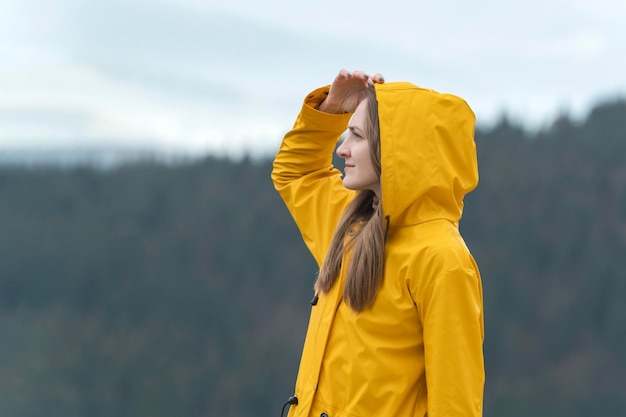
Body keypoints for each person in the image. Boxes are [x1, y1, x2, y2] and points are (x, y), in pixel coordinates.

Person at [272, 69, 485, 417]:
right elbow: (296, 172)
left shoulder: (443, 260)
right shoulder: (348, 223)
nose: (342, 149)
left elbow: (456, 408)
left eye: (356, 135)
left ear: (398, 149)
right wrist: (332, 107)